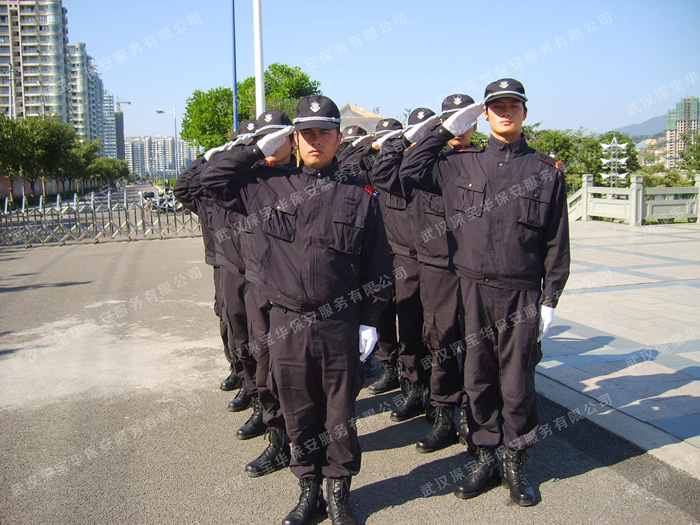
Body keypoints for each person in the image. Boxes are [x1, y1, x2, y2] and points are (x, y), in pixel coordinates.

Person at [201, 95, 393, 525]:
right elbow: (209, 180)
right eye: (306, 133)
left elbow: (379, 267)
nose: (315, 141)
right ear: (294, 139)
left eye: (324, 132)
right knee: (299, 410)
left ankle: (339, 491)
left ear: (338, 138)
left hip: (340, 321)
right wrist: (257, 146)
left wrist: (369, 322)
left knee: (339, 414)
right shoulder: (266, 186)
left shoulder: (360, 195)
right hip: (287, 321)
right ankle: (309, 491)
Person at [401, 79, 570, 506]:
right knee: (477, 378)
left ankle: (515, 461)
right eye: (497, 106)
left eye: (513, 105)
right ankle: (484, 455)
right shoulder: (461, 164)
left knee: (517, 383)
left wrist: (550, 298)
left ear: (524, 113)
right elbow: (408, 170)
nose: (506, 112)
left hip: (520, 294)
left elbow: (556, 242)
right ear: (485, 114)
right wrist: (445, 129)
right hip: (472, 290)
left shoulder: (545, 171)